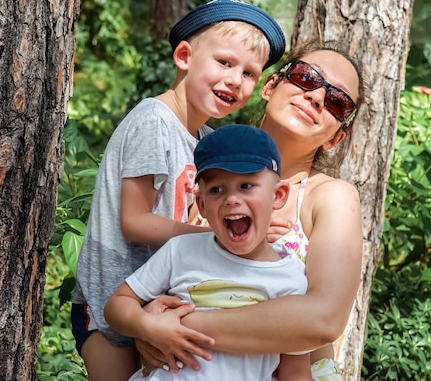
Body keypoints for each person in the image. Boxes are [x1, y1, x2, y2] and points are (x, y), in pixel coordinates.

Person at [70, 0, 286, 381]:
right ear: (185, 56)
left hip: (157, 301)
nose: (236, 79)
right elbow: (135, 221)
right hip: (111, 303)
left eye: (250, 73)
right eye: (224, 62)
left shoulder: (204, 141)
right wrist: (212, 236)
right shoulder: (155, 121)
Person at [131, 42, 365, 380]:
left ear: (335, 138)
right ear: (271, 86)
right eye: (306, 78)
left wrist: (170, 326)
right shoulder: (199, 168)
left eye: (336, 101)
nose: (316, 97)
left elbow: (323, 319)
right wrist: (143, 323)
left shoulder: (331, 198)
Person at [105, 124, 311, 381]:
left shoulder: (291, 280)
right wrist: (146, 326)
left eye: (246, 185)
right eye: (216, 190)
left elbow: (295, 372)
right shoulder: (181, 250)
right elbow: (116, 305)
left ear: (278, 195)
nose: (231, 199)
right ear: (201, 205)